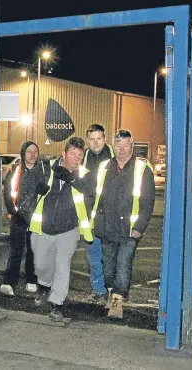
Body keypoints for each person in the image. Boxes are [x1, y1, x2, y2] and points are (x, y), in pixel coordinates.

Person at [20, 137, 94, 322]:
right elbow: (26, 190)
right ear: (64, 153)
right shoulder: (45, 168)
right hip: (43, 229)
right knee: (42, 266)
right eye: (73, 154)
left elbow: (90, 191)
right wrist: (32, 204)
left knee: (62, 267)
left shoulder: (84, 173)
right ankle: (44, 286)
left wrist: (71, 179)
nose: (76, 158)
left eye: (80, 155)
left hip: (68, 230)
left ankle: (56, 303)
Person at [91, 129, 155, 319]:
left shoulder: (142, 169)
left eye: (126, 145)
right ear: (113, 146)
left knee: (123, 264)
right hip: (107, 226)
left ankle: (118, 300)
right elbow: (94, 195)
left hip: (129, 229)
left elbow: (148, 201)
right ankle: (113, 292)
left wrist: (139, 227)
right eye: (118, 145)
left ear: (132, 146)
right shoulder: (104, 167)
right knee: (108, 266)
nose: (122, 149)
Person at [0, 141, 40, 296]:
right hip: (18, 216)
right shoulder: (15, 170)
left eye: (35, 151)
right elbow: (8, 192)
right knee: (16, 250)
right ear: (23, 153)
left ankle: (31, 280)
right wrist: (14, 211)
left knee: (33, 250)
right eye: (29, 151)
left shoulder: (42, 172)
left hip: (35, 218)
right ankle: (9, 282)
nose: (33, 154)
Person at [82, 124, 114, 304]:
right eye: (92, 139)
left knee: (110, 256)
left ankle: (113, 293)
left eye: (98, 139)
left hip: (110, 216)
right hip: (88, 215)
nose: (95, 143)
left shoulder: (114, 157)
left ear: (105, 139)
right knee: (93, 255)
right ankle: (98, 290)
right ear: (88, 140)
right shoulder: (83, 157)